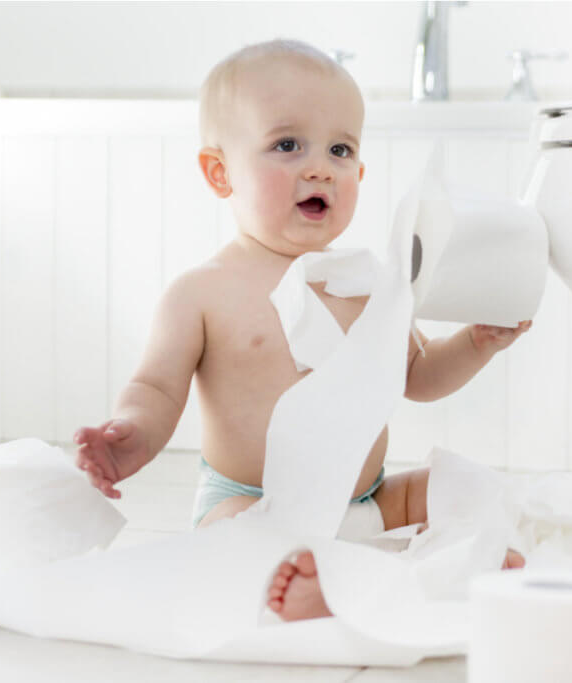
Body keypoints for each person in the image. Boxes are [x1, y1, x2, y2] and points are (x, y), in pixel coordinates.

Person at [73, 39, 530, 622]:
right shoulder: (203, 290)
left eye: (340, 150)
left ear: (359, 172)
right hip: (253, 503)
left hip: (369, 499)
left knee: (465, 486)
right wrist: (132, 432)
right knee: (226, 541)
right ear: (220, 172)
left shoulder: (368, 282)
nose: (320, 167)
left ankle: (467, 558)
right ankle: (308, 582)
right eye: (287, 145)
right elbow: (156, 388)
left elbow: (417, 376)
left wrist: (474, 342)